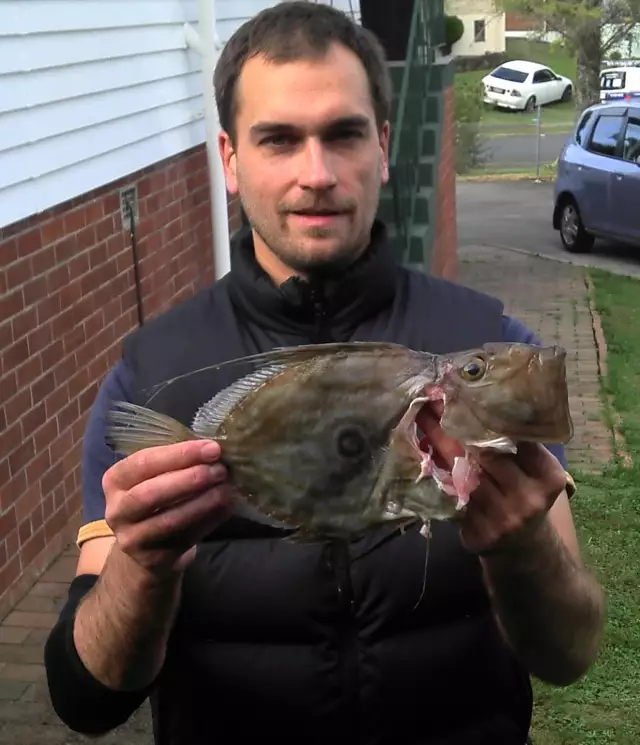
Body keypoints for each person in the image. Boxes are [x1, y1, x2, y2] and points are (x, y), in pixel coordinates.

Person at [44, 3, 605, 744]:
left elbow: (569, 653)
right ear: (230, 160)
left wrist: (522, 545)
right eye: (278, 139)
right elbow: (86, 701)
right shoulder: (148, 380)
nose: (316, 174)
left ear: (380, 144)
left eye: (342, 134)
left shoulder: (491, 353)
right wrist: (142, 570)